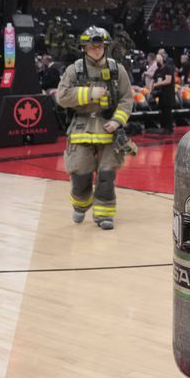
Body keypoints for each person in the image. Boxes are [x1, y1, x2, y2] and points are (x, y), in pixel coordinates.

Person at [54, 27, 134, 230]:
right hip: (81, 128)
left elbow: (127, 98)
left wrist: (117, 121)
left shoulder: (117, 70)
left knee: (107, 176)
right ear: (84, 47)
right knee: (80, 174)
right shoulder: (75, 69)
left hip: (109, 130)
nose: (96, 49)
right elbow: (61, 97)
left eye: (100, 45)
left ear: (105, 46)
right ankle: (81, 204)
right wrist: (90, 93)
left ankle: (104, 214)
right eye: (92, 45)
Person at [152, 52, 176, 133]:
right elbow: (153, 80)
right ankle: (164, 127)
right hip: (160, 94)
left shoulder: (168, 68)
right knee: (163, 111)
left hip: (168, 93)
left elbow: (168, 80)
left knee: (168, 111)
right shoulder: (157, 71)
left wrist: (156, 84)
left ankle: (169, 128)